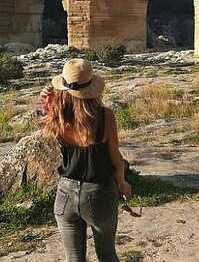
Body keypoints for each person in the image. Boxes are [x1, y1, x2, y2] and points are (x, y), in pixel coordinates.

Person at [41, 58, 132, 262]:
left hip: (65, 194)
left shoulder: (56, 116)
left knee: (73, 258)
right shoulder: (105, 116)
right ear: (92, 88)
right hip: (98, 192)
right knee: (107, 254)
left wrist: (47, 102)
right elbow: (115, 156)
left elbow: (47, 116)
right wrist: (122, 183)